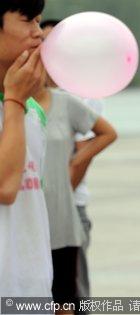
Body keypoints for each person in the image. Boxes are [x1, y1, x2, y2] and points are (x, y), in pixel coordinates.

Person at [33, 57, 117, 311]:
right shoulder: (12, 107)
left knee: (65, 301)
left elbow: (107, 133)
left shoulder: (66, 103)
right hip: (26, 218)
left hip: (61, 219)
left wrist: (75, 163)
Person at [40, 18, 104, 300]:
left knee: (71, 292)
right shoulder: (29, 94)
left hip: (69, 207)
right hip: (33, 207)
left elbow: (85, 152)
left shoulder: (81, 95)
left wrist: (61, 194)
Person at [0, 0, 52, 298]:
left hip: (34, 291)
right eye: (28, 20)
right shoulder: (20, 104)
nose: (39, 33)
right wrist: (15, 100)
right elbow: (6, 187)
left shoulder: (32, 110)